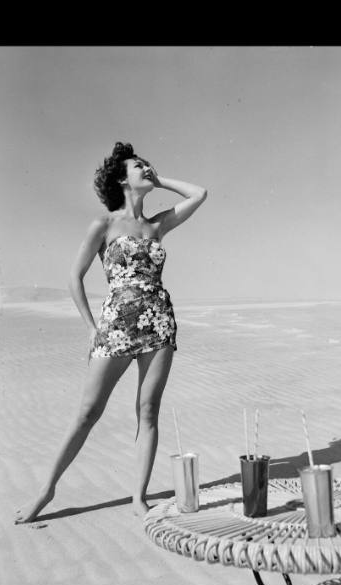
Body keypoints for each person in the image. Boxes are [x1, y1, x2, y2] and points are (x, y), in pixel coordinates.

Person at [15, 142, 207, 522]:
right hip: (116, 326)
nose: (147, 168)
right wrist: (90, 327)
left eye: (148, 165)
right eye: (139, 166)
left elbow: (200, 194)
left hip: (159, 322)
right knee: (88, 412)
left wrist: (160, 179)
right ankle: (45, 491)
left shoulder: (157, 223)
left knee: (148, 411)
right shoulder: (103, 225)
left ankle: (138, 497)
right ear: (122, 179)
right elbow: (74, 277)